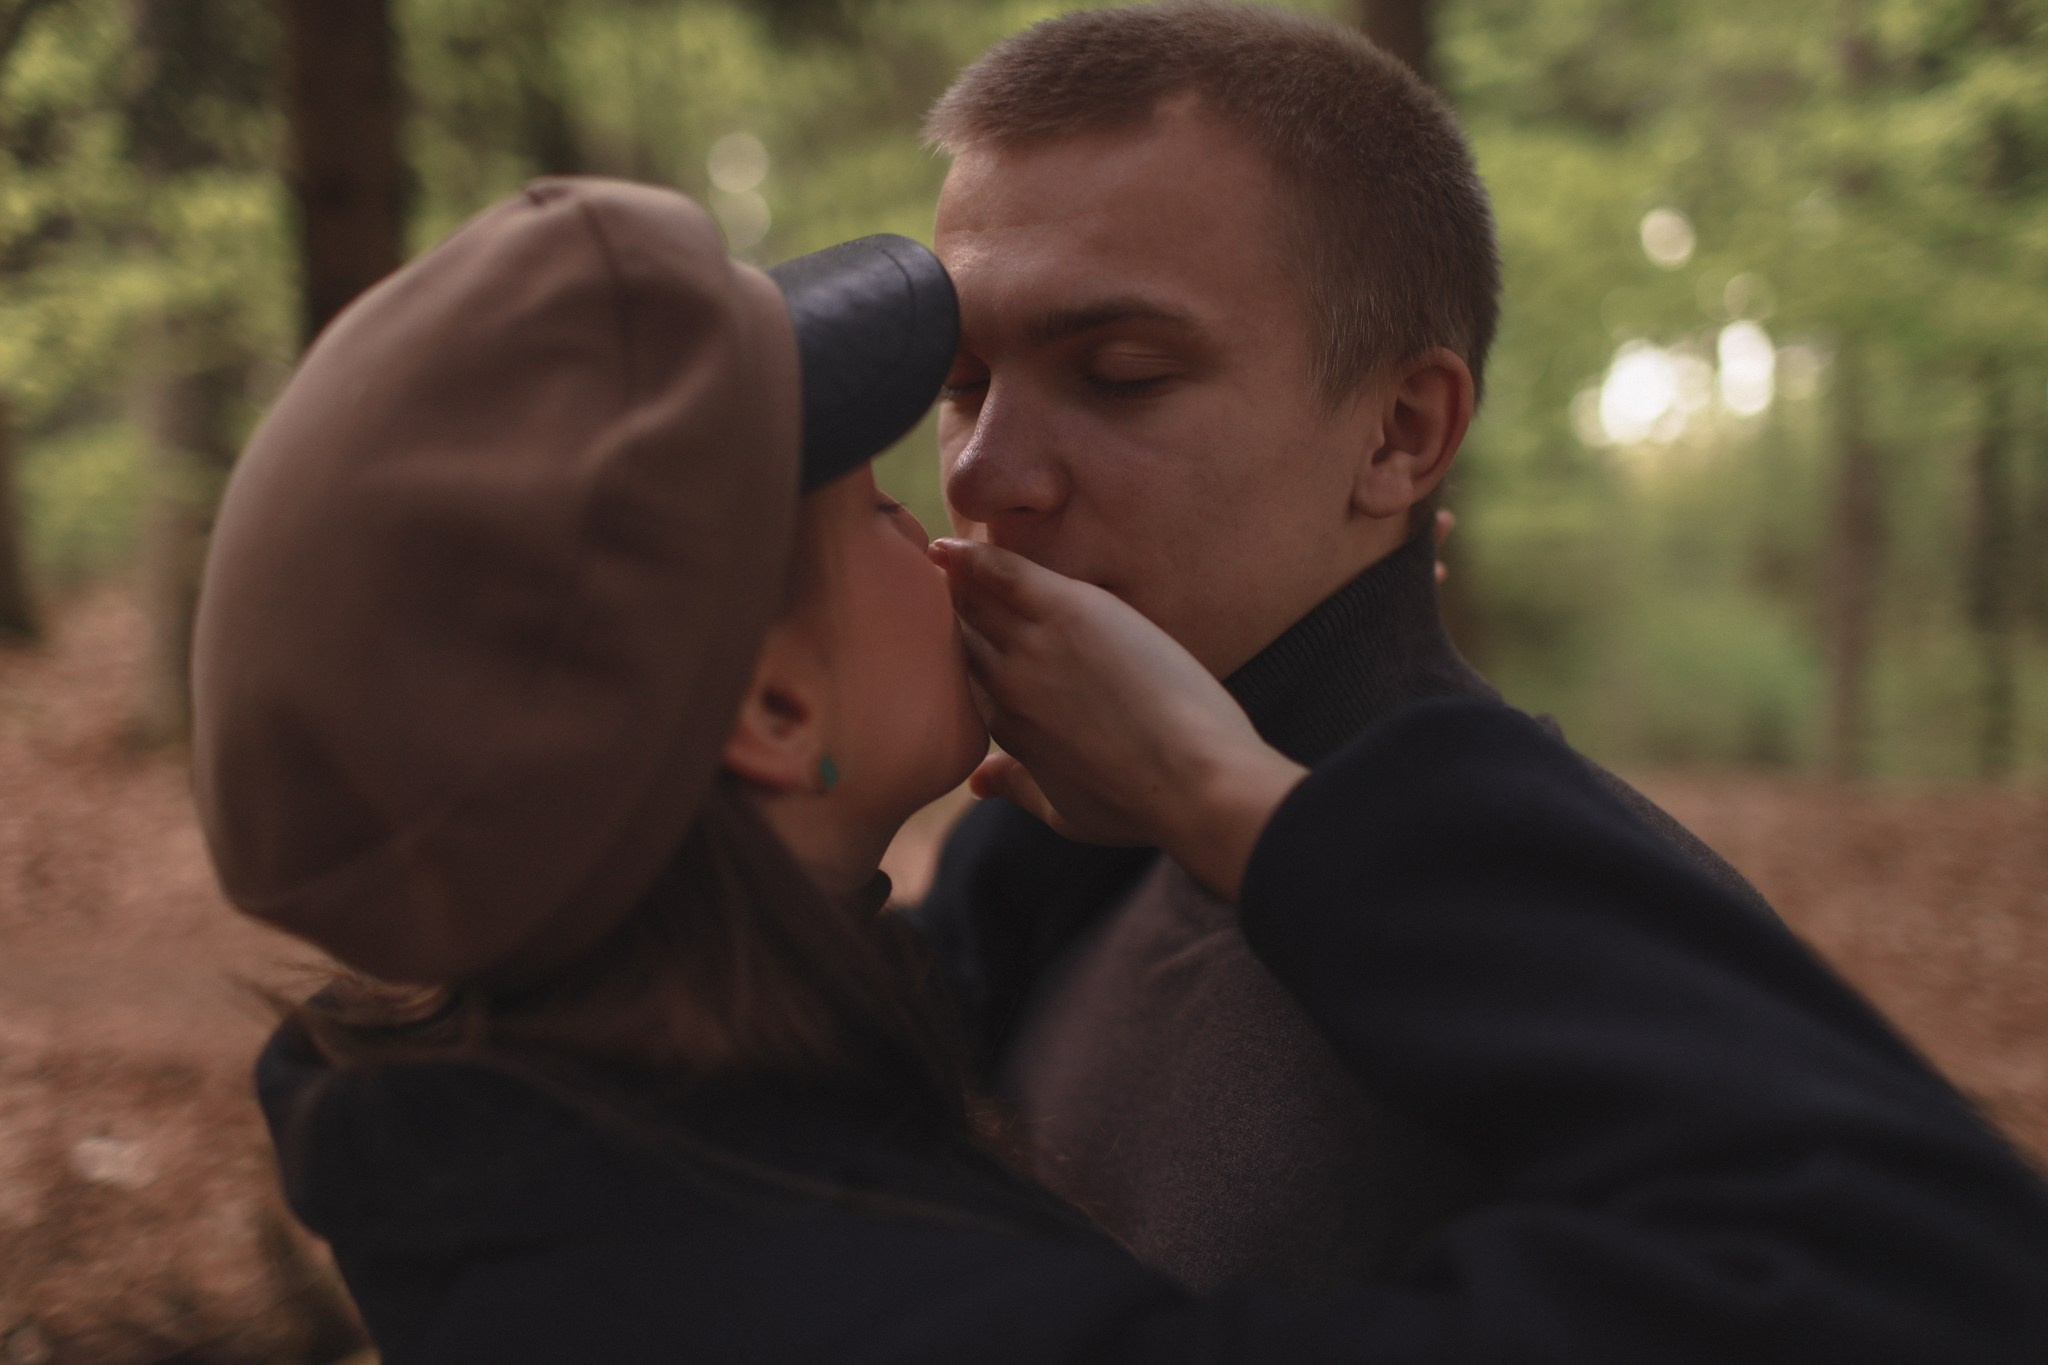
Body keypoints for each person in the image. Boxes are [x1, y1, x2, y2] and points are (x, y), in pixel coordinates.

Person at [195, 179, 2048, 1363]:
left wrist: (1219, 737)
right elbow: (1921, 1266)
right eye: (887, 502)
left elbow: (892, 1064)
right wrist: (1264, 806)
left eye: (1122, 379)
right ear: (766, 715)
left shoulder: (554, 1135)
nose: (979, 498)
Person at [911, 0, 1782, 1290]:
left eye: (1124, 373)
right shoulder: (1043, 854)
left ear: (1400, 436)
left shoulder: (1603, 966)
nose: (984, 478)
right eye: (963, 385)